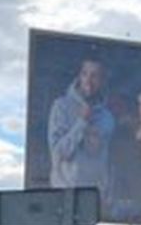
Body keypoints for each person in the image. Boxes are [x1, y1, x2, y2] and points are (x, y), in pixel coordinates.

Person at [48, 58, 115, 193]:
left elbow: (107, 162)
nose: (88, 81)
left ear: (102, 80)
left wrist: (106, 193)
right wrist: (82, 122)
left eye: (94, 76)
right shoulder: (61, 107)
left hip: (94, 199)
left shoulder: (107, 117)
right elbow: (58, 154)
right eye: (85, 74)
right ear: (79, 76)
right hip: (64, 195)